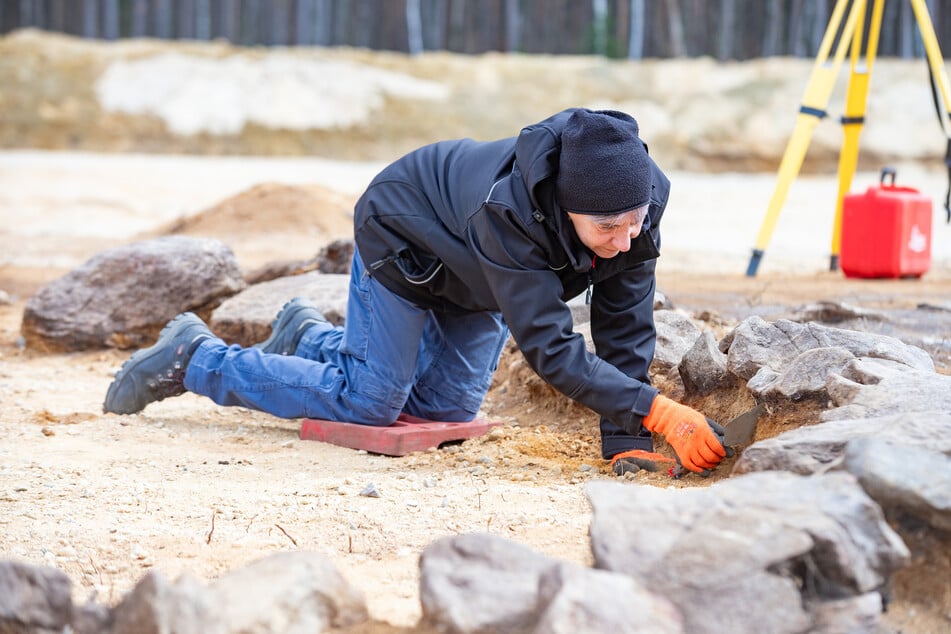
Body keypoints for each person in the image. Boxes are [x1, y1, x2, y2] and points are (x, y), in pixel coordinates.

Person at [103, 108, 727, 475]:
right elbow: (552, 349)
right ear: (567, 208)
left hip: (478, 278)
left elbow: (623, 321)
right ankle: (195, 358)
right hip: (405, 240)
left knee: (447, 414)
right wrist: (654, 409)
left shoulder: (632, 202)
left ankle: (309, 338)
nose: (624, 240)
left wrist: (625, 441)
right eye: (606, 229)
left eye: (636, 221)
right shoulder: (509, 212)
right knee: (370, 402)